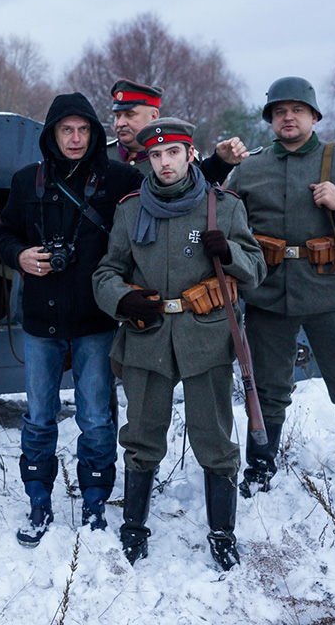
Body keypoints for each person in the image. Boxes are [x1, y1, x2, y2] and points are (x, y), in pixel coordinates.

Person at [224, 77, 335, 528]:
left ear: (314, 117)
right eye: (280, 111)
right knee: (265, 390)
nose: (289, 117)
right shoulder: (249, 169)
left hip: (329, 294)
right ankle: (260, 470)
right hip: (267, 295)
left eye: (298, 110)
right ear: (270, 119)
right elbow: (222, 216)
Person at [94, 118, 265, 570]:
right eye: (155, 155)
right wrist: (123, 298)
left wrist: (229, 252)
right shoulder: (132, 209)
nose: (164, 163)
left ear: (191, 155)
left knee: (215, 438)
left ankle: (222, 533)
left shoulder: (222, 206)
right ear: (146, 159)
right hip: (147, 336)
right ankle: (134, 527)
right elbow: (106, 271)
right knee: (141, 436)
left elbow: (256, 267)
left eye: (173, 153)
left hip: (205, 335)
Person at [0, 92, 141, 547]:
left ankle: (95, 500)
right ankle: (38, 501)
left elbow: (169, 198)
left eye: (83, 130)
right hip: (41, 321)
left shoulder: (121, 178)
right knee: (39, 417)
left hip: (96, 320)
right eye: (66, 130)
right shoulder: (26, 181)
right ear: (52, 134)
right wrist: (20, 255)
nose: (75, 139)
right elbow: (4, 232)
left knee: (97, 418)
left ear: (94, 134)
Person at [106, 79, 248, 182]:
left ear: (154, 116)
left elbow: (204, 186)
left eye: (130, 115)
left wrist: (221, 163)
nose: (120, 123)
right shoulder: (102, 155)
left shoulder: (180, 156)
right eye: (117, 116)